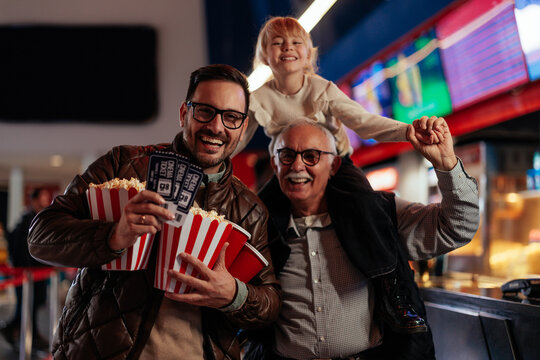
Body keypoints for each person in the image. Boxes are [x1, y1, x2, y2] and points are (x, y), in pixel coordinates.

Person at [27, 64, 281, 360]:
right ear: (184, 113)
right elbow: (41, 236)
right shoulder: (123, 164)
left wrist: (234, 295)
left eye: (231, 117)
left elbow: (270, 303)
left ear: (243, 125)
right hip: (100, 350)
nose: (216, 126)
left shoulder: (250, 210)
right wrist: (112, 236)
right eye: (205, 111)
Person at [235, 16, 447, 332]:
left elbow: (364, 122)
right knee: (256, 215)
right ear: (265, 54)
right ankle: (258, 304)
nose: (287, 49)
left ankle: (395, 296)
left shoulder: (324, 90)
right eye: (278, 43)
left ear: (308, 55)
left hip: (336, 167)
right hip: (289, 171)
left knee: (368, 206)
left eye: (296, 43)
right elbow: (234, 139)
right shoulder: (259, 98)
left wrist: (407, 131)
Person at [246, 117, 479, 359]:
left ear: (334, 165)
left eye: (311, 156)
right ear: (275, 165)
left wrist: (446, 163)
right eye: (287, 156)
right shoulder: (258, 230)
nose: (297, 166)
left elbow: (457, 227)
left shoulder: (377, 215)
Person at [1, 187, 52, 350]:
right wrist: (27, 271)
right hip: (27, 274)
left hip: (36, 274)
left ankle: (15, 332)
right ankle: (27, 336)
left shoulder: (38, 219)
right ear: (34, 200)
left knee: (30, 306)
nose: (45, 202)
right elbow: (24, 250)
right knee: (26, 306)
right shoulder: (28, 220)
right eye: (42, 198)